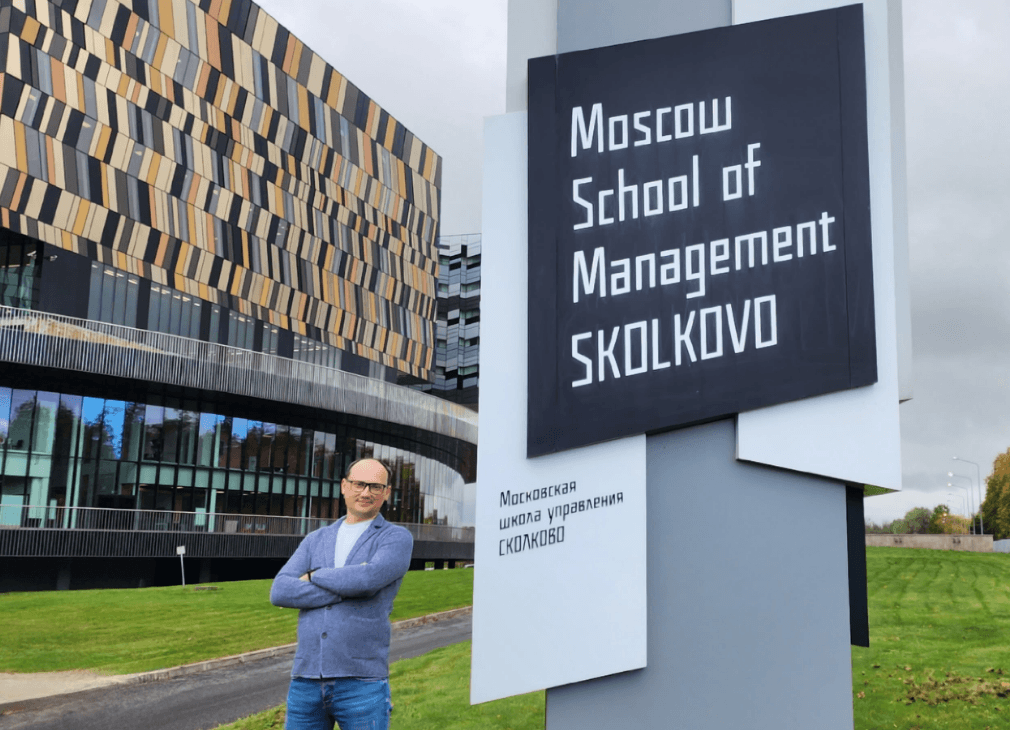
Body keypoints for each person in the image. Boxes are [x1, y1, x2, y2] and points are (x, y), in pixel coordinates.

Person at [270, 457, 413, 730]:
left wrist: (315, 574)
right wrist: (349, 587)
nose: (366, 492)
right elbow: (280, 591)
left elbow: (368, 580)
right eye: (359, 484)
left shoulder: (395, 537)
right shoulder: (316, 539)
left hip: (362, 682)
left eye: (375, 486)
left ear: (386, 492)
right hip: (305, 680)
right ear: (344, 486)